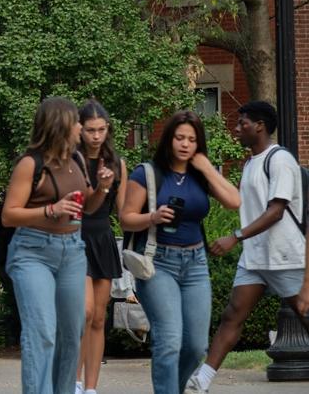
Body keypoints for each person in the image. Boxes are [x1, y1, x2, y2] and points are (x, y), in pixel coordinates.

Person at [119, 110, 239, 394]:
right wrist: (153, 217)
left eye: (192, 140)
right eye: (179, 138)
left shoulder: (201, 175)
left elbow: (235, 201)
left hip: (196, 263)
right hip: (158, 263)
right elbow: (126, 217)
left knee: (197, 344)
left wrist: (207, 167)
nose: (185, 144)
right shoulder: (147, 173)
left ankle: (175, 388)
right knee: (169, 339)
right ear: (169, 139)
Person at [189, 101, 303, 393]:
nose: (236, 129)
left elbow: (276, 211)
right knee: (233, 315)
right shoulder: (251, 162)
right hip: (255, 258)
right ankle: (202, 380)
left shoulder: (279, 160)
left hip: (285, 255)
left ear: (260, 126)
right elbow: (246, 207)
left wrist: (235, 237)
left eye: (243, 124)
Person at [2, 97, 113, 394]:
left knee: (72, 332)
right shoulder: (30, 164)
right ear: (59, 125)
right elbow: (9, 215)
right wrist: (50, 210)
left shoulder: (75, 160)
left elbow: (88, 207)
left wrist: (102, 187)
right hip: (32, 252)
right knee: (42, 332)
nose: (80, 127)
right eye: (76, 122)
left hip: (72, 251)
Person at [75, 100, 127, 394]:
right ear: (80, 130)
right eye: (91, 130)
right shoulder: (72, 161)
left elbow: (123, 212)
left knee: (98, 317)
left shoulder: (117, 163)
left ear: (108, 130)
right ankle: (75, 381)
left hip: (103, 236)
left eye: (101, 130)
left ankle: (91, 387)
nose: (96, 136)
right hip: (75, 238)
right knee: (84, 312)